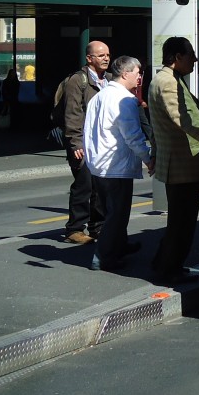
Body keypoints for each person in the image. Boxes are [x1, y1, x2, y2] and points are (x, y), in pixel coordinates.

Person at [147, 36, 199, 285]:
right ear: (177, 57)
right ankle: (169, 269)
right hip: (182, 165)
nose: (195, 60)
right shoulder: (167, 82)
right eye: (191, 55)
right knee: (182, 222)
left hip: (179, 163)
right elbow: (182, 119)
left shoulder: (169, 78)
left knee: (180, 221)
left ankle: (165, 263)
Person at [82, 55, 152, 272]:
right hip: (116, 165)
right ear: (125, 73)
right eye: (138, 73)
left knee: (111, 212)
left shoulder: (99, 96)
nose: (140, 77)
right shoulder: (125, 100)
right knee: (117, 215)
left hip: (99, 164)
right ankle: (103, 257)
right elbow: (133, 136)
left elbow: (89, 131)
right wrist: (148, 158)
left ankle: (119, 246)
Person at [61, 42, 110, 244]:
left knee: (99, 186)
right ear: (89, 58)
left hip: (101, 143)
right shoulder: (78, 80)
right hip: (82, 142)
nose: (106, 58)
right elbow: (72, 113)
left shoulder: (108, 80)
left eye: (108, 55)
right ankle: (74, 229)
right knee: (84, 185)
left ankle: (98, 227)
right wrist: (75, 143)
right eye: (101, 55)